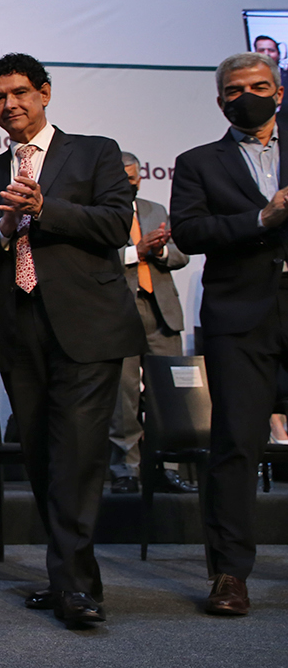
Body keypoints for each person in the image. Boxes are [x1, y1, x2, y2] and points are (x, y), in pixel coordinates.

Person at [0, 53, 144, 629]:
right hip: (18, 328)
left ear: (45, 93)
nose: (9, 104)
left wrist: (45, 208)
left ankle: (77, 587)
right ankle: (67, 578)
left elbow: (115, 225)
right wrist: (3, 228)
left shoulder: (95, 152)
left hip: (87, 326)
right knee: (39, 458)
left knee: (77, 458)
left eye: (19, 92)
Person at [168, 51, 287, 616]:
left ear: (279, 92)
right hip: (240, 315)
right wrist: (262, 218)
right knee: (236, 443)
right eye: (236, 90)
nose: (248, 97)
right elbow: (190, 233)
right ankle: (230, 574)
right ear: (221, 102)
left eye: (259, 87)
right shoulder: (198, 162)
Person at [109, 152, 191, 496]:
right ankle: (125, 469)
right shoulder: (100, 212)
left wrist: (159, 252)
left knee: (168, 395)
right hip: (120, 312)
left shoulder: (156, 210)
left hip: (162, 313)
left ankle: (167, 468)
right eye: (123, 177)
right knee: (123, 396)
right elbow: (94, 259)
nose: (130, 183)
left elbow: (181, 252)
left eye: (134, 177)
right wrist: (136, 252)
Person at [252, 36, 287, 100]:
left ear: (278, 54)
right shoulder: (248, 79)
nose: (266, 54)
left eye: (271, 50)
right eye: (261, 50)